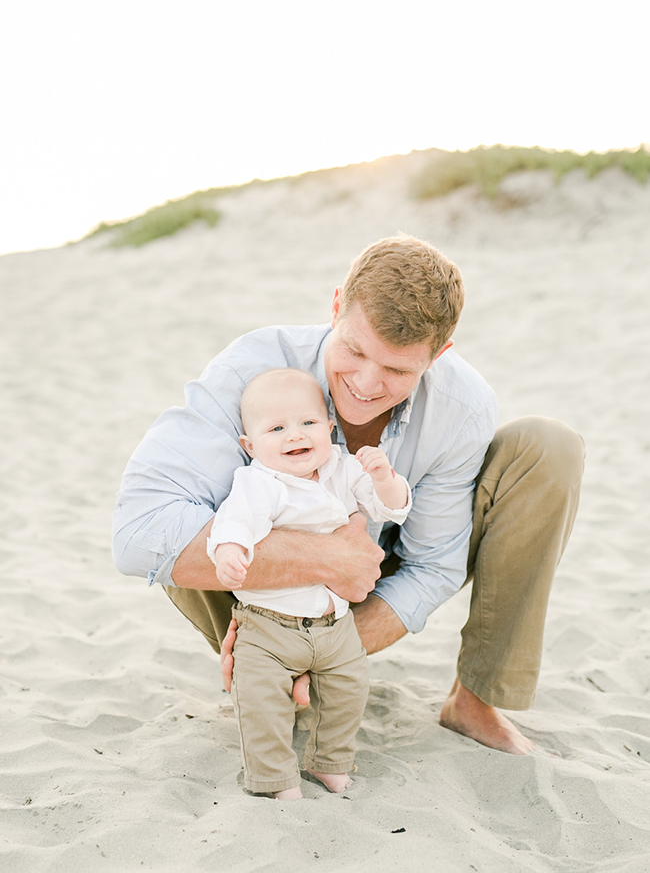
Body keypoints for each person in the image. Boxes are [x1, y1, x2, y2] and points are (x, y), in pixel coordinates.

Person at [112, 233, 584, 759]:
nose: (366, 383)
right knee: (185, 518)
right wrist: (324, 561)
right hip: (257, 589)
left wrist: (331, 650)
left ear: (439, 354)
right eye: (354, 350)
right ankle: (270, 670)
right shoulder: (253, 368)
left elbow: (433, 566)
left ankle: (473, 703)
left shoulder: (462, 404)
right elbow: (138, 534)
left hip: (374, 574)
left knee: (549, 447)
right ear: (336, 305)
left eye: (398, 370)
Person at [208, 367, 411, 798]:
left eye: (308, 422)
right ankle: (276, 778)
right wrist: (229, 551)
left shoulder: (343, 470)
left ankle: (329, 761)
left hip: (335, 625)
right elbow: (236, 521)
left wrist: (384, 480)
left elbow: (389, 509)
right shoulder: (259, 482)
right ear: (250, 445)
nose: (294, 435)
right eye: (276, 428)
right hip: (268, 626)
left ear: (330, 427)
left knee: (348, 692)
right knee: (261, 704)